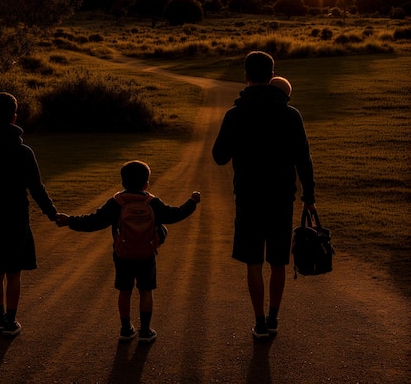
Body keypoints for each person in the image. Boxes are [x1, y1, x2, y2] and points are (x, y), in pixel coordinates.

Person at [212, 51, 316, 340]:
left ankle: (258, 322)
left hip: (248, 196)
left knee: (254, 262)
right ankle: (273, 317)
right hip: (282, 196)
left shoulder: (235, 114)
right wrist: (309, 195)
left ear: (246, 76)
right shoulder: (290, 114)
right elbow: (303, 159)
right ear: (272, 76)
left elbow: (219, 157)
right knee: (279, 261)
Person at [56, 160, 201, 343]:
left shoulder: (116, 202)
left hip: (122, 254)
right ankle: (146, 331)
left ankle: (126, 329)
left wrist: (70, 221)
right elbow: (175, 214)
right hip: (147, 255)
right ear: (146, 183)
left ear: (123, 182)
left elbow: (94, 221)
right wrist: (192, 201)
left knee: (124, 291)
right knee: (145, 291)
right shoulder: (151, 202)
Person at [0, 92, 58, 336]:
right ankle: (11, 321)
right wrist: (52, 213)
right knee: (14, 272)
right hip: (17, 218)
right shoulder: (24, 152)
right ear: (14, 117)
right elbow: (36, 188)